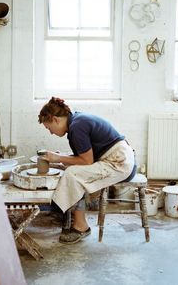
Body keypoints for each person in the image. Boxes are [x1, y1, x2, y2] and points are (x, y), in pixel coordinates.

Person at [38, 97, 136, 244]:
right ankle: (71, 216)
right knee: (73, 170)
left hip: (119, 163)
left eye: (49, 128)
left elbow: (86, 161)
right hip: (119, 158)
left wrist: (59, 158)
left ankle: (81, 227)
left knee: (73, 174)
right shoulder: (76, 121)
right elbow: (83, 158)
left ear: (56, 119)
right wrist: (61, 157)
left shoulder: (77, 127)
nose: (50, 132)